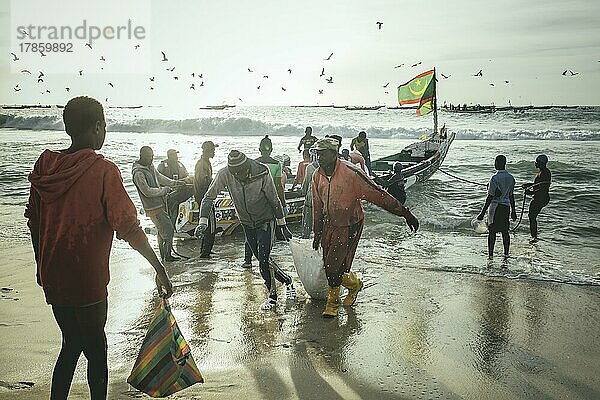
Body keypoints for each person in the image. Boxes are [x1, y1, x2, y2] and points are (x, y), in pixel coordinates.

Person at [24, 96, 173, 400]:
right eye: (103, 125)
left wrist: (41, 264)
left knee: (71, 343)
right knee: (96, 349)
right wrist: (159, 269)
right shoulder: (103, 170)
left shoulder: (45, 166)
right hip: (87, 278)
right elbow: (128, 226)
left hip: (53, 274)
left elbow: (34, 222)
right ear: (96, 127)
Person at [311, 138, 419, 318]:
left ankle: (332, 304)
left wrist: (405, 213)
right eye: (317, 153)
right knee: (330, 265)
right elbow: (317, 206)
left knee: (333, 266)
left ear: (334, 153)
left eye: (323, 153)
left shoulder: (351, 173)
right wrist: (317, 233)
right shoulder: (317, 175)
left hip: (350, 224)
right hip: (330, 223)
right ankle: (354, 285)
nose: (319, 157)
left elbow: (378, 195)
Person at [196, 150, 296, 310]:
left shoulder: (262, 172)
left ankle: (273, 297)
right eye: (234, 174)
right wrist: (203, 222)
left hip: (265, 220)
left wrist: (282, 224)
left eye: (241, 173)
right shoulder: (225, 173)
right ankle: (287, 280)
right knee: (262, 260)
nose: (238, 177)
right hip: (246, 223)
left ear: (247, 167)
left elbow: (274, 199)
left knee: (263, 259)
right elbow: (208, 197)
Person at [132, 146, 183, 262]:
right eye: (148, 157)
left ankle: (164, 256)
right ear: (141, 156)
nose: (151, 159)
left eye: (152, 156)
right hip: (152, 207)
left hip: (160, 204)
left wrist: (175, 183)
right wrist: (164, 190)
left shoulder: (150, 166)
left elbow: (159, 178)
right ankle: (167, 256)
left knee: (161, 231)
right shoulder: (138, 173)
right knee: (169, 230)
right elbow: (147, 191)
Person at [242, 135, 286, 268]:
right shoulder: (277, 164)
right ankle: (264, 259)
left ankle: (248, 260)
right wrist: (282, 204)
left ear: (259, 149)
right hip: (269, 203)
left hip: (253, 202)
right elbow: (278, 186)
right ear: (271, 149)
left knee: (250, 231)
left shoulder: (252, 163)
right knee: (267, 232)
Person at [477, 155, 517, 258]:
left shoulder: (494, 178)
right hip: (506, 207)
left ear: (498, 163)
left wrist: (482, 213)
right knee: (505, 231)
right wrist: (513, 211)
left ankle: (490, 255)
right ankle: (506, 254)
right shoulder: (511, 178)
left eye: (495, 162)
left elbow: (490, 197)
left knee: (492, 231)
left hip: (496, 207)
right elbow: (511, 196)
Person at [194, 141, 219, 258]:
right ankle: (205, 253)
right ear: (207, 151)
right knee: (211, 226)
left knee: (209, 225)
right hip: (205, 199)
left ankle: (206, 250)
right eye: (212, 150)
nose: (214, 152)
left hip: (205, 197)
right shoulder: (202, 164)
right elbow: (203, 182)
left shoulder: (205, 162)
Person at [157, 149, 194, 229]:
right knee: (173, 204)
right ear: (169, 156)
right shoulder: (162, 166)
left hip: (181, 190)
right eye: (174, 155)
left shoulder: (180, 165)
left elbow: (186, 176)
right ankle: (171, 225)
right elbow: (158, 180)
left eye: (176, 155)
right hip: (168, 192)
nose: (176, 157)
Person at [523, 154, 551, 243]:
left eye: (536, 162)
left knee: (532, 217)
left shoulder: (545, 172)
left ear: (541, 163)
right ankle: (534, 236)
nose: (535, 163)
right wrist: (530, 185)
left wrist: (531, 192)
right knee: (532, 217)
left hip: (541, 198)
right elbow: (540, 184)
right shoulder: (541, 172)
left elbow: (543, 188)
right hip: (539, 197)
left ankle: (534, 237)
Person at [301, 149, 319, 238]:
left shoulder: (310, 167)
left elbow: (306, 183)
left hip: (311, 199)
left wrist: (303, 191)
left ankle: (306, 238)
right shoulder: (330, 167)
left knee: (307, 222)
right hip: (324, 199)